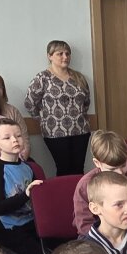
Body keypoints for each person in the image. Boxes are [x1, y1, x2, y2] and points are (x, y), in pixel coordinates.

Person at [0, 118, 47, 254]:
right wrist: (25, 195)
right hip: (9, 228)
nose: (15, 140)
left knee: (55, 246)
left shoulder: (28, 166)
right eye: (7, 137)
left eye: (18, 136)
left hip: (31, 222)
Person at [24, 40, 91, 176]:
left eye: (67, 54)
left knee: (79, 169)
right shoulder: (42, 78)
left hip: (80, 130)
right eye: (60, 54)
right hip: (55, 132)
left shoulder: (78, 77)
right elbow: (30, 102)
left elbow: (86, 101)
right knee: (63, 168)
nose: (65, 57)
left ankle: (79, 190)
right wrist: (42, 119)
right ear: (50, 56)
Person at [73, 129, 127, 236]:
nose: (120, 173)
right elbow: (84, 224)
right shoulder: (85, 185)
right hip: (94, 236)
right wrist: (106, 238)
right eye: (112, 169)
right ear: (97, 163)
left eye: (123, 165)